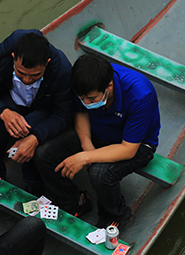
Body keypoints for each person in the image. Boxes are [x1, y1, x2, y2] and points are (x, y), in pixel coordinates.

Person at [34, 54, 161, 230]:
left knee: (99, 174)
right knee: (44, 154)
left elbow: (128, 149)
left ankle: (116, 214)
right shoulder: (83, 83)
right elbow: (81, 113)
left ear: (109, 86)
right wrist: (86, 145)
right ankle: (74, 202)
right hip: (96, 134)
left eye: (92, 99)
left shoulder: (139, 94)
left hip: (136, 145)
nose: (86, 103)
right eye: (82, 98)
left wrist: (86, 157)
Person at [0, 29, 74, 194]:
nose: (26, 80)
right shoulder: (0, 56)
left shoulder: (62, 69)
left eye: (35, 76)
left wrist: (35, 138)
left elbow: (64, 114)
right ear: (13, 57)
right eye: (21, 73)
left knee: (28, 127)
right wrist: (3, 112)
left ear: (47, 62)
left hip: (43, 108)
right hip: (11, 101)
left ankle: (33, 182)